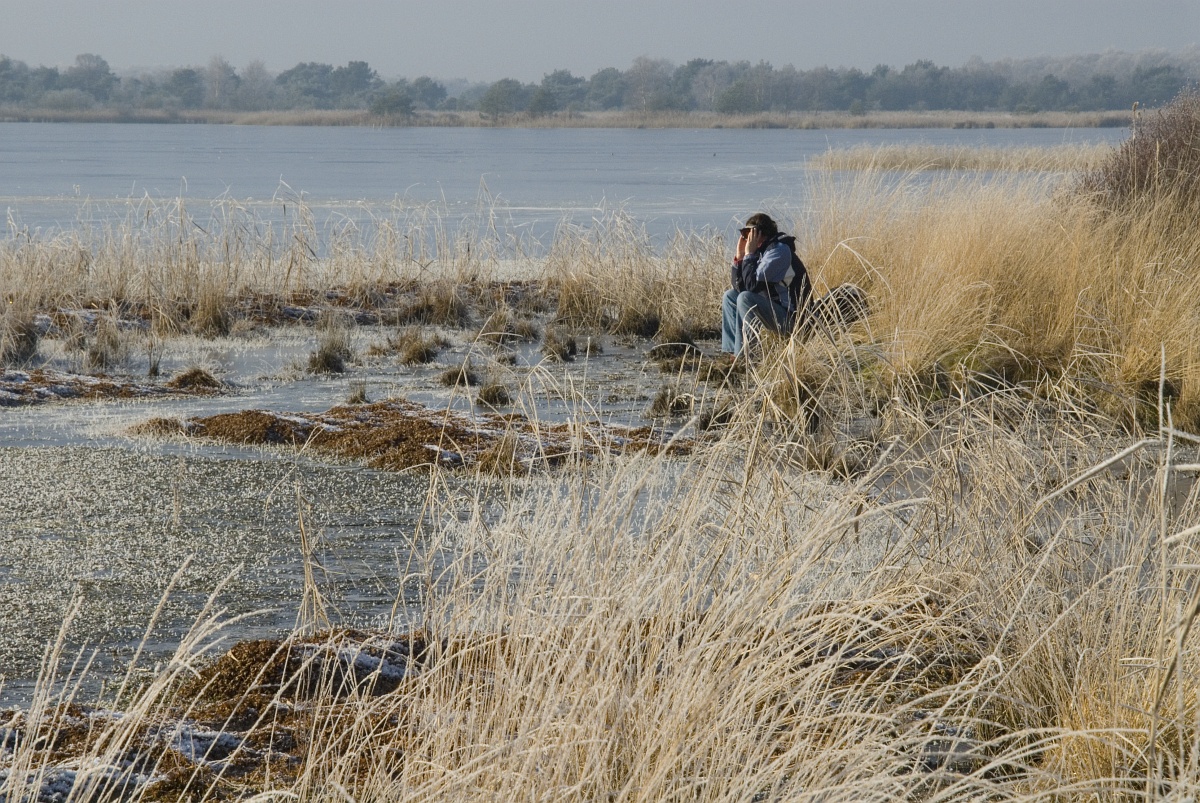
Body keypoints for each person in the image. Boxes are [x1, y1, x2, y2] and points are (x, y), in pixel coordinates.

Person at [721, 212, 809, 359]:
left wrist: (749, 256)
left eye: (749, 234)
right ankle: (732, 352)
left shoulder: (778, 252)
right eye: (744, 234)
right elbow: (740, 287)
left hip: (792, 319)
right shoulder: (760, 252)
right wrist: (740, 258)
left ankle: (746, 356)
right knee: (730, 296)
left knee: (745, 298)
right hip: (774, 310)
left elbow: (752, 286)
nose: (746, 239)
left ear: (761, 234)